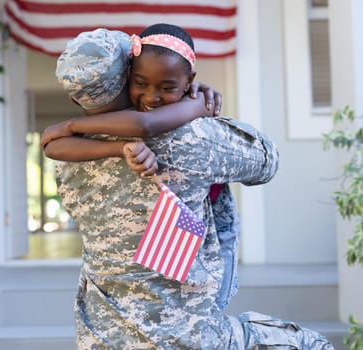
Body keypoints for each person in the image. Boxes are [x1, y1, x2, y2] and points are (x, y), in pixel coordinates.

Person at [51, 25, 333, 349]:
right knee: (306, 343)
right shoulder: (190, 138)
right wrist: (191, 103)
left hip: (100, 337)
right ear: (128, 74)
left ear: (74, 97)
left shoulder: (67, 157)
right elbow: (266, 161)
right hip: (186, 336)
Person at [43, 25, 239, 310]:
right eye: (141, 83)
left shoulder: (193, 104)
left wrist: (70, 124)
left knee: (214, 299)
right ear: (127, 76)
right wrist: (119, 148)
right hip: (174, 257)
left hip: (214, 234)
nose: (152, 95)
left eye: (167, 86)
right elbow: (52, 146)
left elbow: (144, 127)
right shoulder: (141, 115)